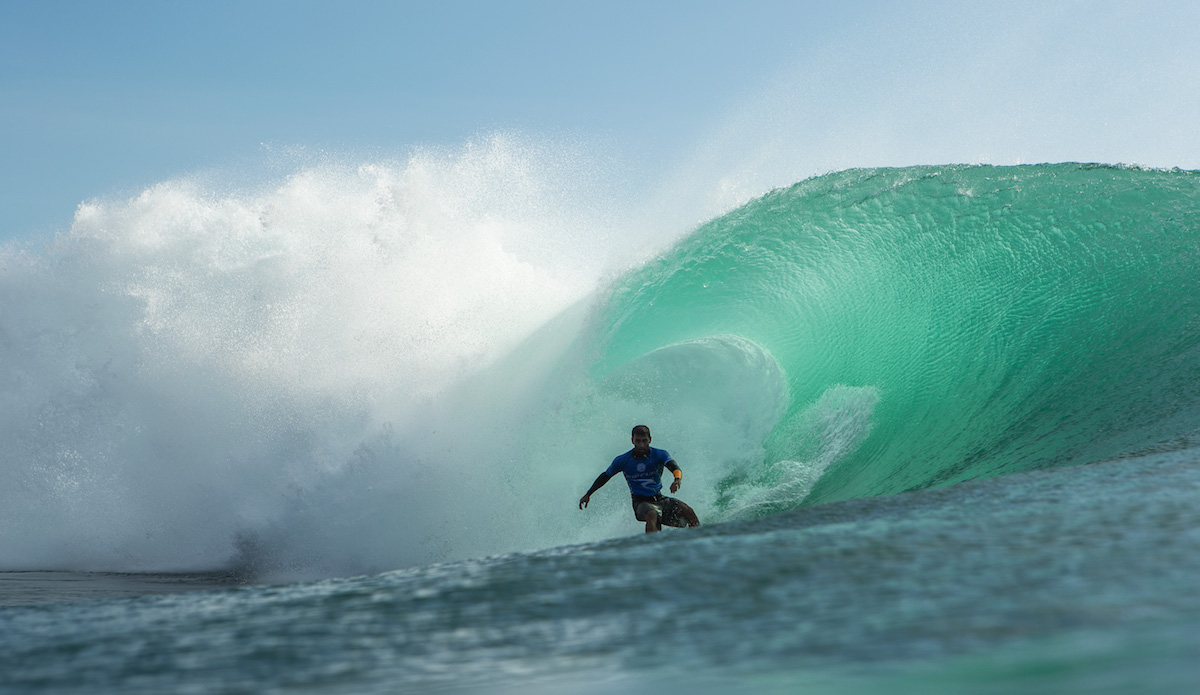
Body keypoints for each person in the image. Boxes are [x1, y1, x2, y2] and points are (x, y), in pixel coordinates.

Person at [578, 425, 700, 533]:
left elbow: (674, 467)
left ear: (650, 440)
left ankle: (700, 541)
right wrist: (588, 494)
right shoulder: (623, 460)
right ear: (632, 441)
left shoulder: (659, 454)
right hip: (640, 502)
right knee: (652, 514)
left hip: (660, 499)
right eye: (638, 441)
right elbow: (605, 476)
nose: (641, 445)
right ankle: (652, 550)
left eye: (644, 441)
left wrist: (677, 479)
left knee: (688, 511)